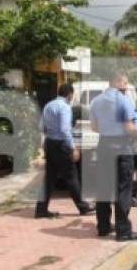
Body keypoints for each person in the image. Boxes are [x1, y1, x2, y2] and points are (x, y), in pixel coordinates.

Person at [90, 71, 137, 241]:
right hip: (121, 146)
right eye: (125, 83)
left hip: (104, 145)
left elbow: (95, 128)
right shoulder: (123, 100)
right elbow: (129, 128)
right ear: (117, 81)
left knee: (103, 187)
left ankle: (103, 226)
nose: (126, 87)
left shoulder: (96, 101)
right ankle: (123, 230)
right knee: (123, 188)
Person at [34, 83, 93, 218]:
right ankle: (83, 207)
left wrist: (44, 143)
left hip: (50, 143)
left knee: (49, 178)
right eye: (72, 95)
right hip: (61, 145)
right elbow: (65, 130)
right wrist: (73, 148)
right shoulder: (65, 107)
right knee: (71, 176)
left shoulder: (49, 105)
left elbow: (41, 126)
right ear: (70, 94)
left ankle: (41, 209)